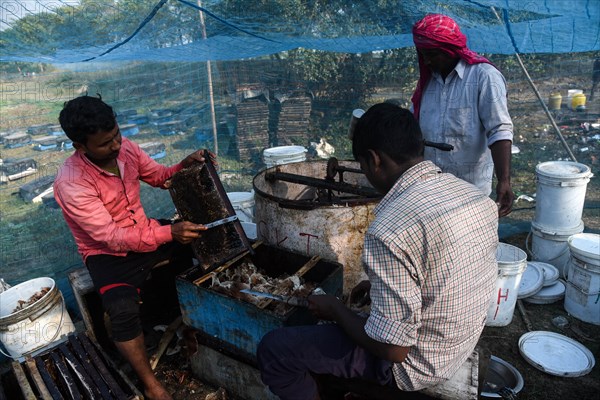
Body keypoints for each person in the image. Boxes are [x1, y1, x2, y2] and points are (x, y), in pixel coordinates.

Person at [256, 103, 499, 399]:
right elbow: (445, 271)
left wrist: (336, 310)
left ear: (374, 160)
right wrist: (381, 286)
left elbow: (393, 349)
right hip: (459, 342)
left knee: (275, 349)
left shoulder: (390, 229)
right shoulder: (474, 197)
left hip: (415, 366)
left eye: (362, 165)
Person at [54, 95, 213, 400]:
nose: (116, 146)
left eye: (117, 135)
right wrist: (169, 233)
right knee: (121, 310)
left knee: (203, 244)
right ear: (80, 147)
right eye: (105, 143)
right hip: (108, 255)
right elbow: (111, 237)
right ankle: (150, 384)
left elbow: (157, 176)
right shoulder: (71, 182)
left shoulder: (125, 148)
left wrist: (183, 165)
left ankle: (196, 329)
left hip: (145, 232)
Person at [411, 13, 514, 217]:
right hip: (430, 190)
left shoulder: (484, 77)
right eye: (422, 54)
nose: (426, 60)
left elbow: (499, 130)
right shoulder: (428, 83)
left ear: (449, 50)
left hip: (469, 194)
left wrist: (504, 180)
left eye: (432, 54)